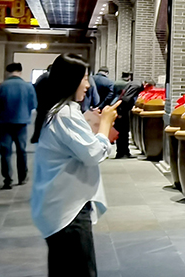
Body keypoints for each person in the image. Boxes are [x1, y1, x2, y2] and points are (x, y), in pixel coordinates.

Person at [31, 53, 119, 277]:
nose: (88, 85)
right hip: (69, 210)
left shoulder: (57, 110)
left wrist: (89, 123)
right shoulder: (66, 113)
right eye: (85, 79)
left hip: (59, 205)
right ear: (70, 80)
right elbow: (93, 154)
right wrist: (105, 125)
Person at [0, 62, 37, 190]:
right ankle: (22, 177)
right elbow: (34, 104)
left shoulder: (2, 86)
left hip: (5, 122)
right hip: (21, 122)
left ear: (7, 72)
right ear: (20, 72)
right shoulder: (28, 86)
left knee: (5, 151)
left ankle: (8, 180)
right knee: (21, 150)